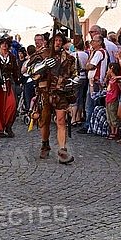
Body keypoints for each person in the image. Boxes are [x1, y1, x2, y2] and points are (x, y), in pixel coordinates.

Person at [29, 32, 78, 163]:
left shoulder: (68, 58)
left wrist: (72, 82)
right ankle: (45, 144)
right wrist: (43, 65)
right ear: (51, 42)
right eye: (55, 40)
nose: (58, 43)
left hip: (60, 94)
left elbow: (75, 74)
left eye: (60, 40)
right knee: (44, 121)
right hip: (44, 93)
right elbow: (31, 72)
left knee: (61, 121)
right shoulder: (41, 55)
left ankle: (62, 150)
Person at [105, 62, 121, 140]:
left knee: (114, 115)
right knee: (109, 116)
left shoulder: (116, 79)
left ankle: (116, 131)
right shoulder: (110, 79)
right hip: (108, 99)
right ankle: (112, 130)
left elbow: (120, 88)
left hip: (113, 99)